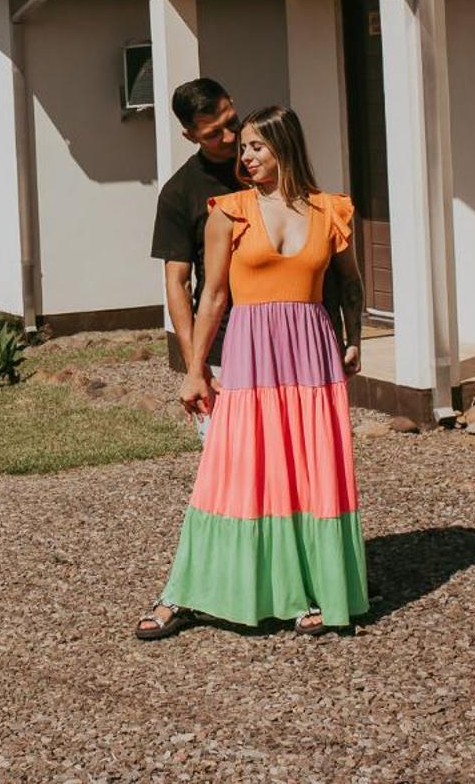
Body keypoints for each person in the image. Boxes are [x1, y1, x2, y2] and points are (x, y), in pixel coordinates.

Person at [135, 104, 368, 639]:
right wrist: (195, 370)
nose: (245, 156)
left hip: (312, 356)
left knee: (311, 470)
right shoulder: (230, 211)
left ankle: (311, 590)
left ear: (285, 147)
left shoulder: (330, 210)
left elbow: (350, 284)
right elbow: (213, 295)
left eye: (256, 147)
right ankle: (188, 590)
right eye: (244, 148)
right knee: (236, 470)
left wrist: (354, 340)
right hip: (250, 354)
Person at [150, 79, 241, 387]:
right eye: (213, 134)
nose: (229, 137)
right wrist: (194, 365)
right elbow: (177, 282)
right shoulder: (179, 192)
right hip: (221, 335)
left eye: (231, 122)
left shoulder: (265, 165)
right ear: (190, 136)